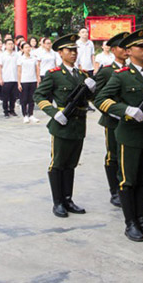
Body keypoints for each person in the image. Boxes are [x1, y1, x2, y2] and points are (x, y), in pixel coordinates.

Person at [95, 29, 143, 242]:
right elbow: (101, 99)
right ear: (129, 51)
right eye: (140, 46)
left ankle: (142, 219)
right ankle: (130, 223)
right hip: (129, 133)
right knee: (128, 180)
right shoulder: (120, 75)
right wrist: (125, 111)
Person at [34, 33, 94, 218]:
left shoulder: (81, 74)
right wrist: (54, 113)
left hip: (78, 124)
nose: (74, 53)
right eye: (69, 50)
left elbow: (90, 98)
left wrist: (93, 89)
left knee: (71, 164)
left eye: (75, 50)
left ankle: (68, 199)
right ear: (60, 53)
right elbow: (39, 96)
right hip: (62, 124)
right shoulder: (54, 75)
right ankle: (58, 202)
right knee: (58, 164)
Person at [93, 31, 129, 207]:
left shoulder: (132, 69)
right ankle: (114, 191)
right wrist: (111, 111)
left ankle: (125, 187)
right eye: (123, 47)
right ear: (114, 50)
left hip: (130, 119)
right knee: (113, 156)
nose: (126, 50)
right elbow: (96, 96)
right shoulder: (106, 71)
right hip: (112, 120)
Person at [17, 42, 40, 123]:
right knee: (24, 99)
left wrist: (38, 79)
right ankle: (25, 115)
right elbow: (19, 71)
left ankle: (31, 114)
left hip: (33, 80)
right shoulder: (20, 59)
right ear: (22, 49)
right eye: (26, 47)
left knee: (31, 99)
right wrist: (19, 83)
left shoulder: (34, 58)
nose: (28, 49)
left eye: (29, 47)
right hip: (24, 81)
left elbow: (37, 69)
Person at [0, 39, 19, 117]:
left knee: (13, 96)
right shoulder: (2, 55)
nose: (11, 45)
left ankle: (12, 110)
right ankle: (5, 111)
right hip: (6, 78)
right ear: (5, 45)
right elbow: (0, 67)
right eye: (9, 44)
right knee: (5, 97)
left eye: (12, 44)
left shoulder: (16, 55)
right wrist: (0, 78)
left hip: (15, 78)